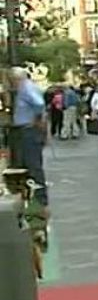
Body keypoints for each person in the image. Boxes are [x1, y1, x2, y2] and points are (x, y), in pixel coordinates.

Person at [8, 67, 48, 207]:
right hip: (26, 129)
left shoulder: (26, 88)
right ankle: (34, 195)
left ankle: (39, 197)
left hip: (28, 130)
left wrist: (36, 119)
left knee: (32, 164)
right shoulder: (26, 88)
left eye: (11, 80)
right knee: (29, 163)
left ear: (16, 78)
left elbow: (39, 103)